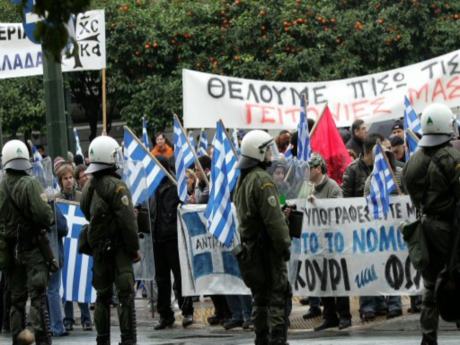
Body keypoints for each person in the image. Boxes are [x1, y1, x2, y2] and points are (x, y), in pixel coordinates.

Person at [402, 103, 460, 345]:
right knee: (457, 279)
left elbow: (411, 192)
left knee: (429, 287)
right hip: (451, 230)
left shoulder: (413, 160)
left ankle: (428, 339)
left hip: (426, 228)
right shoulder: (452, 157)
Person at [80, 136, 140, 345]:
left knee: (102, 297)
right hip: (119, 249)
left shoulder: (89, 185)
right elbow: (128, 223)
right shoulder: (117, 186)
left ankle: (102, 339)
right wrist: (134, 248)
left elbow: (85, 211)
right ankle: (128, 339)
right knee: (125, 296)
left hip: (98, 250)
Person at [234, 130, 291, 345]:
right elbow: (273, 223)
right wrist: (284, 245)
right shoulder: (262, 180)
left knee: (260, 299)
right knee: (277, 298)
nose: (270, 153)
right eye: (267, 149)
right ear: (258, 153)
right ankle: (277, 340)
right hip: (266, 251)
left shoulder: (244, 180)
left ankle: (261, 340)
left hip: (251, 251)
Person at [0, 139, 54, 345]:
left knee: (16, 299)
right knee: (38, 295)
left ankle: (17, 338)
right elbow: (45, 216)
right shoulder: (30, 183)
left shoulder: (1, 185)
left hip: (10, 249)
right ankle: (35, 334)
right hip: (32, 248)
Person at [304, 154, 352, 331]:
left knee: (338, 280)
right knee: (323, 281)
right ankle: (330, 316)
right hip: (317, 243)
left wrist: (318, 203)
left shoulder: (332, 187)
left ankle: (345, 316)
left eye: (310, 168)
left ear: (318, 169)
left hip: (334, 242)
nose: (307, 172)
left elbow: (338, 208)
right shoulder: (309, 188)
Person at [149, 156, 194, 330]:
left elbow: (185, 208)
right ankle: (165, 315)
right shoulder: (151, 188)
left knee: (180, 277)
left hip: (174, 238)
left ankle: (187, 310)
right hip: (157, 239)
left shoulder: (176, 186)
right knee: (161, 280)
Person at [55, 164, 93, 331]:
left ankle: (86, 318)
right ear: (60, 181)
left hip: (79, 244)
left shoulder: (81, 196)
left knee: (80, 278)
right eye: (65, 178)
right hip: (64, 245)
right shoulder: (56, 199)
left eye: (71, 177)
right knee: (66, 280)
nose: (69, 181)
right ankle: (68, 318)